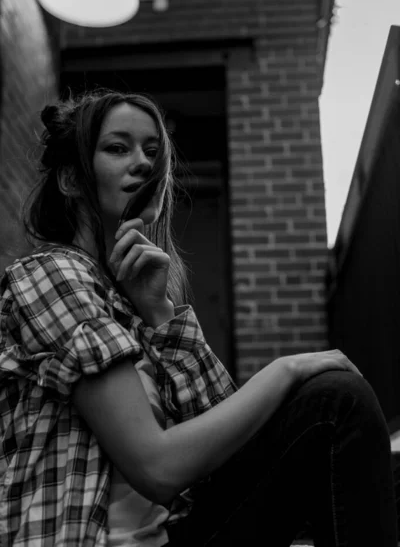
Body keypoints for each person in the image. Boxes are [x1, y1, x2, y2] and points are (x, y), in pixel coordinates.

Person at [0, 88, 397, 547]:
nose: (144, 163)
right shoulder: (50, 274)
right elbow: (157, 466)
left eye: (153, 151)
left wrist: (158, 311)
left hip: (171, 537)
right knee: (334, 399)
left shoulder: (130, 302)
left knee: (358, 436)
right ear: (71, 180)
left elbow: (229, 455)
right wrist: (286, 369)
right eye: (117, 147)